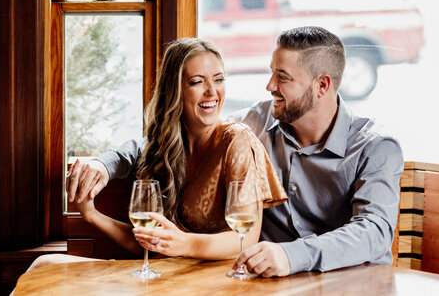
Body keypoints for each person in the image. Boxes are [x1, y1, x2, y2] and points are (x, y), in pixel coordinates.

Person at [59, 37, 286, 265]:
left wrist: (184, 243)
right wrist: (91, 215)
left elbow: (246, 240)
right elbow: (152, 247)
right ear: (174, 89)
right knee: (44, 264)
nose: (212, 92)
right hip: (162, 272)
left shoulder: (237, 142)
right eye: (197, 82)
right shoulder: (164, 146)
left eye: (219, 79)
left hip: (213, 279)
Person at [230, 26, 403, 277]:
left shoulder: (375, 147)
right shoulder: (255, 124)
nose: (270, 85)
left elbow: (374, 231)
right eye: (272, 73)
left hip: (353, 286)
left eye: (283, 77)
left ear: (322, 85)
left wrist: (292, 255)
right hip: (272, 287)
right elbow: (201, 130)